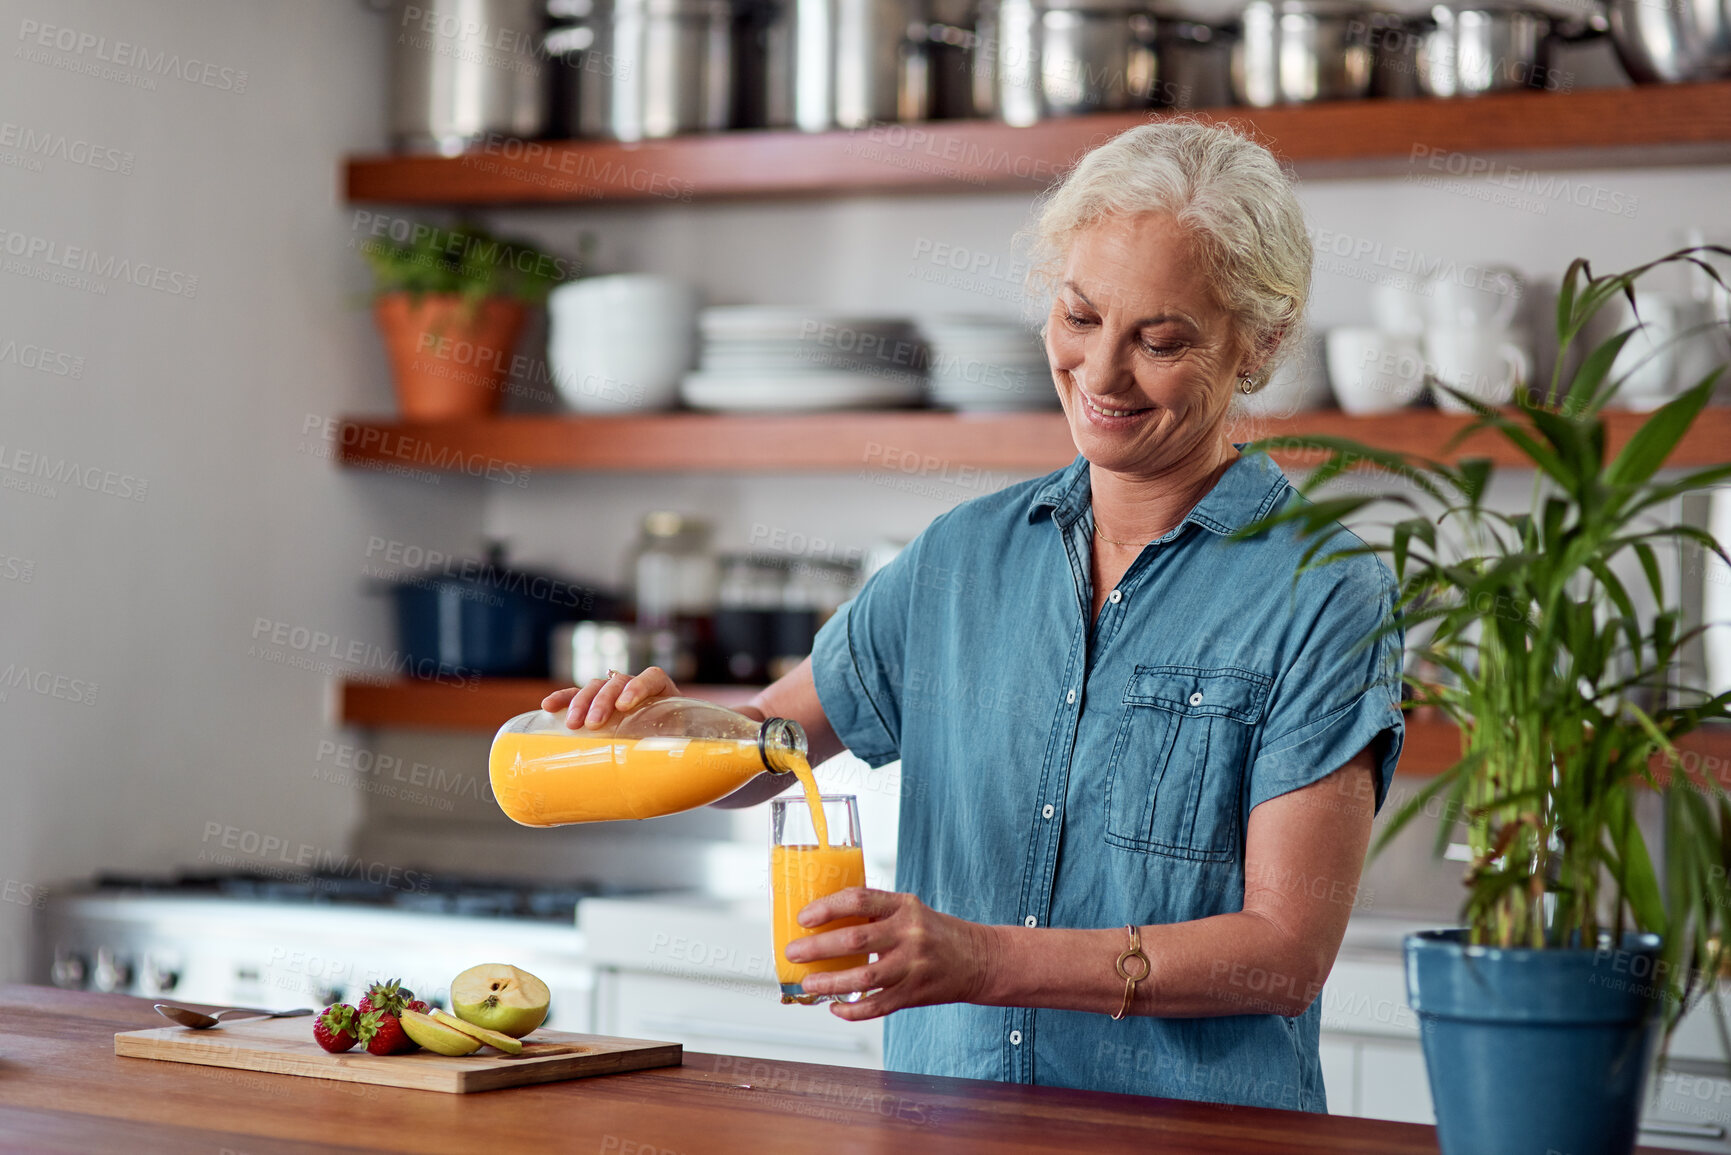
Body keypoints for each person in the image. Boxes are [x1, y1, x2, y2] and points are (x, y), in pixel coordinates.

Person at [546, 119, 1404, 1114]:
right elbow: (764, 749)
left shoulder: (1324, 591)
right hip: (943, 1129)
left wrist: (982, 959)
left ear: (1264, 343)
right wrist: (656, 734)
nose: (1104, 374)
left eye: (1161, 340)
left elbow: (1284, 955)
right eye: (1080, 318)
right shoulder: (961, 559)